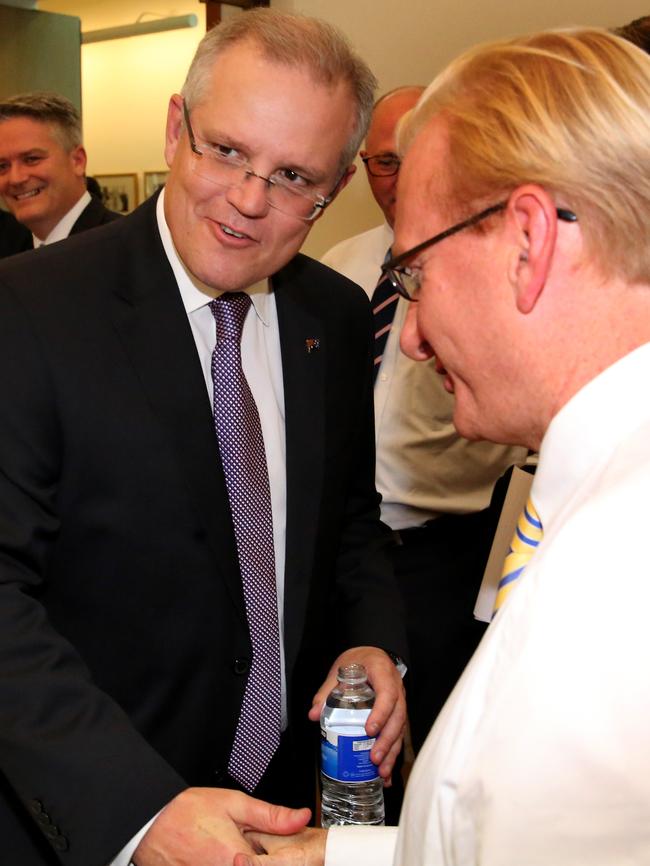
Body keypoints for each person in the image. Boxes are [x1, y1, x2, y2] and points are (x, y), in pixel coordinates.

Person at [0, 10, 409, 866]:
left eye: (294, 175)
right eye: (227, 150)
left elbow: (352, 526)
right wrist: (138, 814)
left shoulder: (330, 316)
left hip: (288, 810)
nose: (251, 201)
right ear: (176, 126)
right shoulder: (29, 311)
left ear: (336, 185)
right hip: (101, 810)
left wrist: (374, 647)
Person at [237, 27, 650, 866]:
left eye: (416, 276)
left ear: (529, 243)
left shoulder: (618, 573)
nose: (413, 337)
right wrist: (345, 857)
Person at [322, 87, 527, 753]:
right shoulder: (333, 270)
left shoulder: (487, 272)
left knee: (448, 738)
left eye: (413, 158)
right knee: (350, 742)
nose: (399, 177)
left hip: (449, 552)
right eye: (384, 161)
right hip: (348, 553)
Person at [0, 92, 120, 257]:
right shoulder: (12, 253)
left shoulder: (126, 246)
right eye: (2, 166)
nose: (15, 178)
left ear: (77, 161)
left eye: (31, 159)